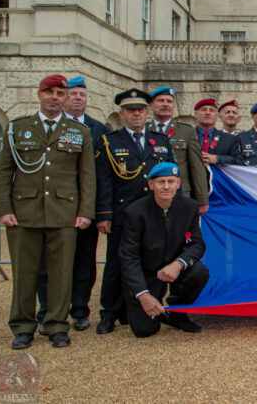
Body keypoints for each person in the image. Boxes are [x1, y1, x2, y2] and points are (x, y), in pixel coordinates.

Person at [0, 74, 95, 349]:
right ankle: (23, 326)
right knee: (25, 272)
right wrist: (3, 209)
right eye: (49, 92)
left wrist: (86, 211)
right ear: (39, 94)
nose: (54, 97)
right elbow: (4, 171)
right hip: (24, 212)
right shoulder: (18, 127)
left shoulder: (79, 132)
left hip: (64, 212)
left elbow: (86, 175)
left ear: (65, 98)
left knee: (61, 272)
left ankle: (56, 325)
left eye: (60, 93)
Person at [95, 88, 175, 335]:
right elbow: (104, 180)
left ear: (146, 111)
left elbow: (170, 176)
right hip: (123, 213)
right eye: (131, 110)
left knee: (151, 261)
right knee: (116, 264)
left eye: (140, 109)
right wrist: (104, 214)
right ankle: (109, 312)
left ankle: (142, 305)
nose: (137, 114)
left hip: (153, 214)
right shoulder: (109, 141)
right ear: (122, 114)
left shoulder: (160, 141)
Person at [36, 76, 109, 334]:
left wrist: (99, 212)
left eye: (83, 95)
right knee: (48, 263)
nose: (79, 98)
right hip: (52, 208)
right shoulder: (46, 126)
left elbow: (101, 175)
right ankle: (47, 311)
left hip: (84, 210)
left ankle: (79, 310)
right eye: (74, 94)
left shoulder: (99, 130)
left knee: (83, 263)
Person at [119, 162, 209, 338]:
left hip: (173, 268)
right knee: (145, 330)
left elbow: (197, 244)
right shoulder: (135, 212)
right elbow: (128, 258)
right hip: (146, 273)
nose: (166, 186)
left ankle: (177, 312)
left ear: (178, 183)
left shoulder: (189, 207)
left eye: (170, 181)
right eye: (161, 182)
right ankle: (140, 302)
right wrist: (143, 294)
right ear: (151, 184)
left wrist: (178, 264)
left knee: (200, 272)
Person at [146, 87, 209, 216]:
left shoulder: (187, 132)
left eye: (169, 101)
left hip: (180, 194)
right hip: (149, 194)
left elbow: (197, 167)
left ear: (173, 106)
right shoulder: (144, 131)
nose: (165, 104)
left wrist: (202, 199)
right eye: (160, 101)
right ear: (151, 105)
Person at [194, 98, 242, 167]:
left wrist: (217, 158)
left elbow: (238, 161)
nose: (207, 113)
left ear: (217, 116)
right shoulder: (187, 135)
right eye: (203, 109)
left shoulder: (229, 139)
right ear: (195, 114)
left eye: (211, 110)